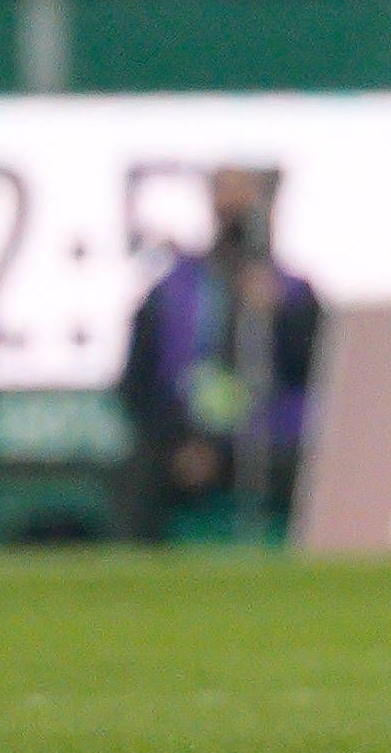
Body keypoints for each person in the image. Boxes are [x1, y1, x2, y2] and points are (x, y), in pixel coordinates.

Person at [118, 167, 322, 540]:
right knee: (139, 474)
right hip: (189, 435)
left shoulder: (295, 293)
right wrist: (182, 440)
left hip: (274, 440)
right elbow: (138, 382)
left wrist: (281, 317)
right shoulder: (171, 289)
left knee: (314, 474)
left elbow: (317, 370)